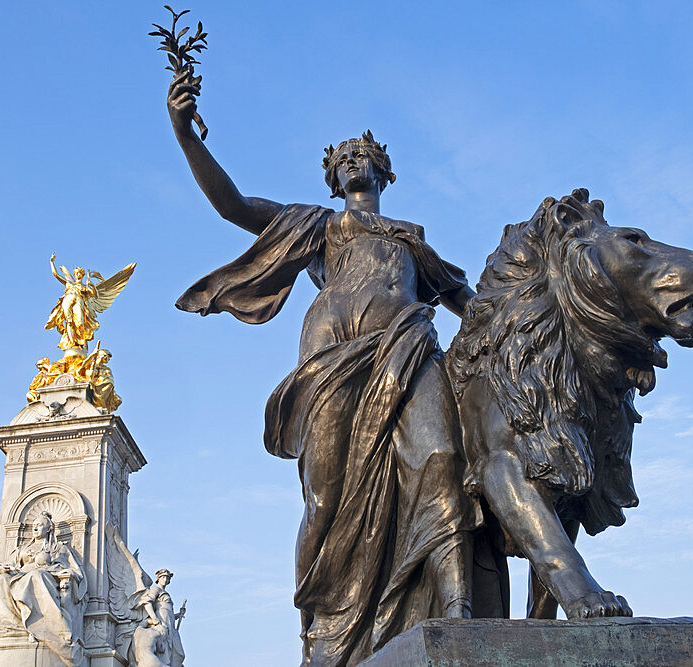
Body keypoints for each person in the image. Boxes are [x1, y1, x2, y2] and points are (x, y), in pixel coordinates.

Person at [167, 70, 481, 666]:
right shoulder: (318, 225)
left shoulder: (412, 240)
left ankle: (458, 610)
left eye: (365, 154)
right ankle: (316, 630)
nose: (355, 161)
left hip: (409, 345)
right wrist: (188, 137)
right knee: (325, 499)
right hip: (333, 356)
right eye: (344, 157)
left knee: (442, 458)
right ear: (333, 177)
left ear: (384, 171)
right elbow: (235, 207)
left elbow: (473, 305)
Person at [0, 511, 87, 666]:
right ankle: (6, 625)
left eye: (39, 525)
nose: (35, 528)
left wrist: (57, 569)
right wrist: (6, 569)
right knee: (0, 581)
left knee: (35, 576)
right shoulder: (23, 548)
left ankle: (40, 624)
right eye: (34, 526)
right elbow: (10, 564)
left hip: (45, 575)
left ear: (48, 529)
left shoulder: (58, 548)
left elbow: (74, 570)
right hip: (18, 575)